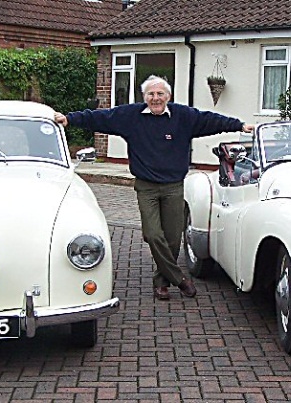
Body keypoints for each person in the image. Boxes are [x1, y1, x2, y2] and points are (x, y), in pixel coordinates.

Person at [55, 75, 254, 301]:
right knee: (152, 234)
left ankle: (162, 282)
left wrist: (239, 125)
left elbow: (211, 120)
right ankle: (180, 279)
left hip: (173, 187)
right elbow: (100, 118)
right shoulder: (130, 117)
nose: (155, 98)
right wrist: (70, 119)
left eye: (160, 94)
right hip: (147, 187)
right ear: (144, 96)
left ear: (168, 96)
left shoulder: (183, 117)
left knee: (171, 239)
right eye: (151, 94)